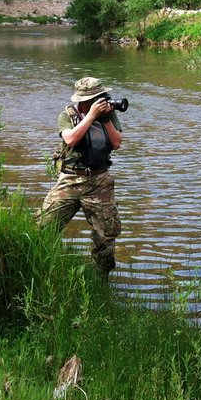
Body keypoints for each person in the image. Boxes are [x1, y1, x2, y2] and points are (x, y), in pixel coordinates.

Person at [39, 76, 123, 276]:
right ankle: (41, 267)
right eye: (96, 98)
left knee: (106, 237)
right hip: (70, 179)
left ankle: (101, 279)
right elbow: (71, 139)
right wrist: (90, 116)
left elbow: (116, 143)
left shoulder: (107, 115)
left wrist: (104, 119)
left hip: (99, 180)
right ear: (83, 101)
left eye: (101, 96)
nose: (101, 101)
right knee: (43, 227)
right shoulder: (67, 115)